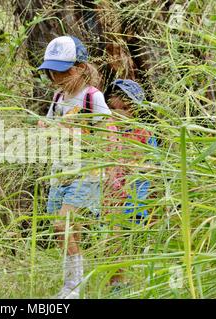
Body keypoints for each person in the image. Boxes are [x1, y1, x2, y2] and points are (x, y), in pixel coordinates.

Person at [36, 35, 112, 299]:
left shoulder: (92, 97)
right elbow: (48, 127)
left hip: (86, 171)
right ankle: (72, 284)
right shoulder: (58, 98)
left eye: (63, 71)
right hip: (61, 171)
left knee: (64, 223)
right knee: (63, 231)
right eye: (52, 72)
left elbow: (109, 134)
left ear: (80, 68)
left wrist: (77, 133)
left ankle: (73, 288)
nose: (57, 78)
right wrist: (47, 129)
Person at [103, 79, 157, 225]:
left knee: (133, 233)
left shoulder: (145, 134)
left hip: (134, 200)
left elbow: (154, 166)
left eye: (125, 108)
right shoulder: (105, 132)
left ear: (137, 110)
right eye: (113, 109)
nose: (119, 114)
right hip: (110, 198)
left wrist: (134, 167)